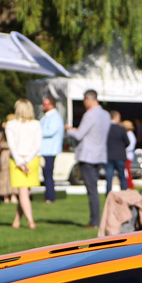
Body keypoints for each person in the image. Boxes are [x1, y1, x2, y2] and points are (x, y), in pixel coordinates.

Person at [65, 90, 112, 225]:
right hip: (100, 154)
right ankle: (97, 219)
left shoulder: (90, 115)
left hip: (88, 155)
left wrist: (69, 130)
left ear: (88, 99)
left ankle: (94, 220)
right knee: (94, 188)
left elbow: (79, 134)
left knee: (91, 190)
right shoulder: (106, 115)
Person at [5, 100, 43, 230]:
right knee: (24, 192)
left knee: (23, 192)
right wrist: (26, 160)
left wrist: (21, 162)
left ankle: (28, 221)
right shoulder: (36, 124)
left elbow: (12, 146)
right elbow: (37, 145)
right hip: (31, 160)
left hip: (17, 160)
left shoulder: (10, 125)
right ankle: (20, 221)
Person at [38, 94, 64, 203]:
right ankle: (48, 195)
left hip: (50, 150)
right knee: (46, 174)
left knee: (48, 174)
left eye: (46, 104)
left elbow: (50, 131)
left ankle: (50, 196)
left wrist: (36, 132)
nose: (43, 106)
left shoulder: (55, 117)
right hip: (45, 150)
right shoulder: (46, 117)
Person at [105, 114, 130, 194]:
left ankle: (108, 195)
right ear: (116, 117)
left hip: (109, 155)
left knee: (109, 177)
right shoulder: (121, 129)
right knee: (122, 176)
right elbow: (127, 142)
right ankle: (124, 194)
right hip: (120, 155)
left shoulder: (106, 129)